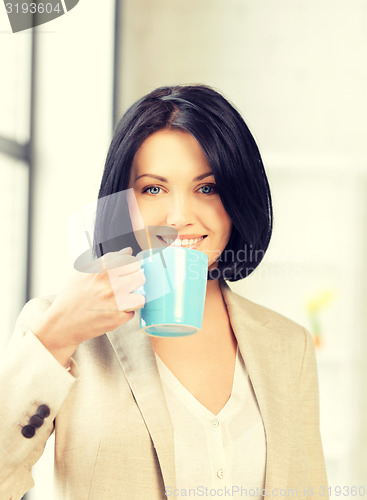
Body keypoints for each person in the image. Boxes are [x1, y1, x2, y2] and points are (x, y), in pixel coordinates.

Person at [0, 84, 328, 499]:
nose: (179, 217)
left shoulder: (287, 345)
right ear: (122, 203)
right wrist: (56, 336)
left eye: (206, 188)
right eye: (153, 189)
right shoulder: (61, 329)